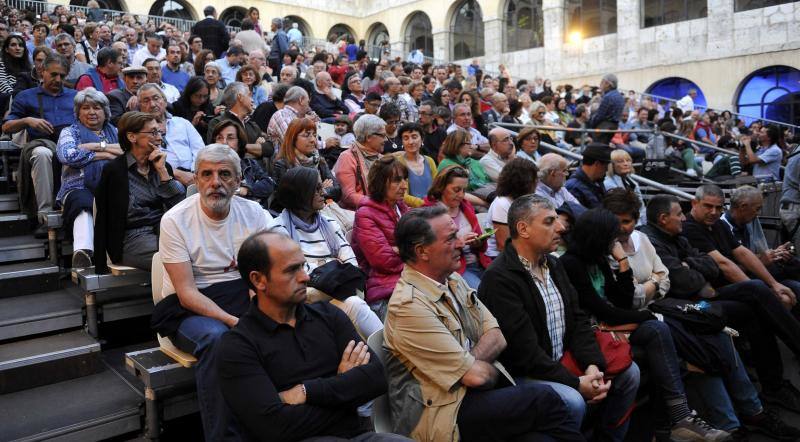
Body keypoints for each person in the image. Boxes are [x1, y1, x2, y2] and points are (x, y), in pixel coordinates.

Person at [384, 205, 583, 441]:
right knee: (546, 399)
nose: (461, 243)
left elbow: (497, 335)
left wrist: (469, 365)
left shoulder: (453, 280)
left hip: (470, 398)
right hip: (442, 415)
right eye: (450, 239)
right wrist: (476, 370)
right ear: (422, 251)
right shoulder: (408, 307)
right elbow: (477, 377)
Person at [478, 194, 640, 441]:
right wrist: (576, 383)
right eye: (549, 221)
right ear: (523, 229)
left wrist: (592, 366)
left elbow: (577, 321)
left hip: (563, 362)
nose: (561, 227)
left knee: (631, 373)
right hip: (526, 374)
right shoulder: (500, 278)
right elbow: (525, 353)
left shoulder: (554, 265)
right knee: (572, 401)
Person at [218, 230, 408, 441]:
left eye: (302, 266)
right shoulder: (237, 345)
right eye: (292, 270)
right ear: (259, 280)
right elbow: (274, 427)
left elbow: (375, 379)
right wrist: (343, 388)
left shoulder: (329, 316)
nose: (305, 277)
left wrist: (307, 391)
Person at [561, 208, 728, 441]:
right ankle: (673, 421)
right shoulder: (571, 264)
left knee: (658, 333)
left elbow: (623, 299)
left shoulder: (598, 258)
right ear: (599, 237)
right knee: (656, 331)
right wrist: (645, 316)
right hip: (593, 330)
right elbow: (602, 310)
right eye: (612, 237)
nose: (617, 241)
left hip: (611, 326)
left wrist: (622, 261)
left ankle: (673, 422)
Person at [151, 144, 272, 441]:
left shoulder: (254, 213)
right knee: (219, 340)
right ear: (195, 178)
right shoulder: (175, 220)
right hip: (188, 306)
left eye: (224, 174)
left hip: (241, 294)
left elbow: (272, 268)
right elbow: (186, 293)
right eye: (206, 174)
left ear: (239, 180)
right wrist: (236, 322)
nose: (215, 182)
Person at [267, 168, 382, 337]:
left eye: (322, 187)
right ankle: (388, 354)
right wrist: (334, 265)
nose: (324, 193)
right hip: (304, 306)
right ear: (300, 194)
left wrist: (324, 270)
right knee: (355, 305)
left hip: (335, 294)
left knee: (355, 303)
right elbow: (298, 277)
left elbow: (351, 264)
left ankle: (382, 354)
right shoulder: (278, 230)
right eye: (317, 189)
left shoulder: (329, 223)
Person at [93, 112, 185, 272]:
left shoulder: (162, 165)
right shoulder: (114, 171)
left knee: (191, 250)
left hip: (164, 230)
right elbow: (103, 216)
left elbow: (180, 207)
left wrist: (163, 172)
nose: (159, 137)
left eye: (160, 132)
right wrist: (100, 263)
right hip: (132, 237)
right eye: (153, 132)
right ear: (132, 137)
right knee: (176, 257)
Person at [2, 53, 75, 236]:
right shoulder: (26, 96)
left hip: (69, 145)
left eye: (62, 76)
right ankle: (46, 215)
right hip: (40, 144)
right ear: (42, 71)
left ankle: (74, 211)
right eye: (54, 74)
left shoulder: (75, 97)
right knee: (43, 154)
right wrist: (28, 120)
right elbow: (7, 126)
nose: (58, 79)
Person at [56, 88, 122, 268]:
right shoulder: (70, 132)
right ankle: (83, 252)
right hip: (78, 187)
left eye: (97, 107)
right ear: (78, 112)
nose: (92, 112)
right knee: (84, 203)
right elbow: (68, 156)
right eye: (86, 108)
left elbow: (127, 152)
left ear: (105, 111)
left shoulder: (115, 130)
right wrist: (106, 152)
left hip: (111, 187)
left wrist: (91, 146)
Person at [350, 156, 409, 318]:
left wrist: (400, 250)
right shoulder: (365, 214)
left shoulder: (402, 207)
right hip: (384, 288)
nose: (404, 186)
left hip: (409, 279)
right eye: (397, 181)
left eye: (405, 179)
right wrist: (411, 251)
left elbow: (425, 244)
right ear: (381, 182)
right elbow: (383, 261)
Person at [423, 166, 491, 289]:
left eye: (464, 190)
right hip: (455, 269)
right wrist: (459, 243)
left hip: (479, 262)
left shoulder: (466, 206)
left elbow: (481, 245)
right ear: (442, 187)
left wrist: (478, 242)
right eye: (456, 189)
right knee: (484, 294)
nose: (461, 195)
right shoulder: (429, 213)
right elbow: (432, 250)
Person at [137, 83, 204, 186]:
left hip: (194, 176)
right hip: (161, 180)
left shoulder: (182, 123)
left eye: (156, 98)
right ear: (140, 106)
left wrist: (195, 173)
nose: (153, 104)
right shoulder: (139, 131)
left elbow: (199, 150)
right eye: (146, 101)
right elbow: (144, 160)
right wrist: (179, 175)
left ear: (164, 100)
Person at [273, 117, 341, 201]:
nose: (313, 140)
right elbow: (290, 198)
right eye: (306, 135)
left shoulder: (319, 160)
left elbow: (337, 191)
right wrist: (321, 189)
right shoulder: (283, 164)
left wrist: (319, 191)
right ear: (293, 139)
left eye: (314, 135)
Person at [485, 158, 538, 258]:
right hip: (499, 258)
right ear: (522, 181)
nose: (536, 182)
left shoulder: (524, 200)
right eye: (534, 179)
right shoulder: (502, 203)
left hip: (522, 252)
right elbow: (503, 245)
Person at [334, 114, 386, 211]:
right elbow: (348, 196)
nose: (386, 139)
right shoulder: (347, 158)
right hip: (359, 215)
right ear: (369, 137)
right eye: (382, 135)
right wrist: (379, 205)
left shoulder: (382, 159)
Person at [437, 129, 494, 204]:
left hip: (486, 196)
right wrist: (485, 204)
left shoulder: (473, 162)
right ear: (458, 145)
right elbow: (455, 193)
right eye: (469, 143)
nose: (471, 146)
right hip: (464, 203)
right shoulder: (446, 165)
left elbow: (486, 181)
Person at [393, 122, 437, 207]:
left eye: (414, 137)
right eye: (406, 138)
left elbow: (437, 187)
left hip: (432, 209)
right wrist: (424, 203)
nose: (410, 142)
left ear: (422, 139)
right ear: (402, 142)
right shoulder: (398, 163)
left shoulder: (430, 161)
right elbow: (401, 195)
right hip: (410, 212)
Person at [267, 86, 320, 154]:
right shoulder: (281, 115)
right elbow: (295, 143)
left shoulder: (296, 118)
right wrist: (324, 144)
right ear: (301, 100)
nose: (308, 107)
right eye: (308, 102)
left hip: (299, 161)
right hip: (285, 163)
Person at [604, 149, 645, 225]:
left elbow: (641, 207)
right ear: (612, 165)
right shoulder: (608, 183)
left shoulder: (632, 182)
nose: (626, 164)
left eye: (628, 160)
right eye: (620, 161)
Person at [566, 143, 610, 209]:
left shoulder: (597, 181)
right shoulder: (574, 188)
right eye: (605, 166)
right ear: (597, 164)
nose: (607, 169)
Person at [171, 76, 214, 140]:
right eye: (197, 96)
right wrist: (193, 124)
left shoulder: (208, 106)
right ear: (189, 93)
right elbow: (176, 134)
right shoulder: (177, 107)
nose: (202, 100)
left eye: (205, 96)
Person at [588, 74, 625, 144]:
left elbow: (599, 116)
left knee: (596, 148)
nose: (600, 84)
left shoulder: (607, 97)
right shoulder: (620, 97)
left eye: (602, 82)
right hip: (614, 127)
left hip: (604, 127)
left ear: (608, 84)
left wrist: (591, 123)